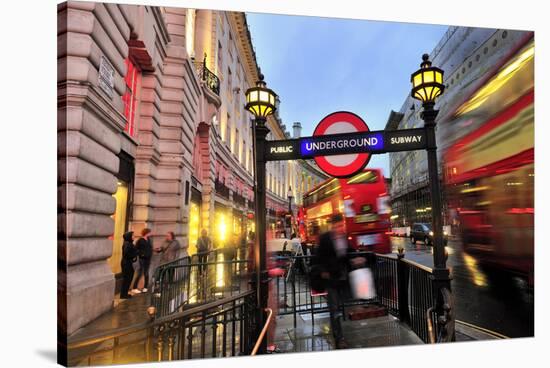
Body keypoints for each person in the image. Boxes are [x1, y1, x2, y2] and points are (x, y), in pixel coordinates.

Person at [315, 213, 364, 349]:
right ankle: (339, 338)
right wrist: (323, 271)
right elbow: (318, 257)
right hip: (331, 278)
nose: (339, 228)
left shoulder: (343, 237)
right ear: (332, 226)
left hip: (343, 277)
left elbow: (348, 253)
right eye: (337, 226)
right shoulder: (325, 238)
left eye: (341, 225)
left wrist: (357, 258)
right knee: (334, 309)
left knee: (343, 306)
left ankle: (341, 330)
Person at [131, 228, 153, 294]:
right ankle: (134, 287)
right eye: (150, 232)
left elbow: (149, 248)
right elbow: (135, 249)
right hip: (142, 259)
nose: (151, 233)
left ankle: (145, 287)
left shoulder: (149, 240)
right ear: (146, 232)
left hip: (148, 259)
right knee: (140, 273)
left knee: (146, 273)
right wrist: (141, 254)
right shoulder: (140, 240)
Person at [120, 231, 138, 299]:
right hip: (126, 263)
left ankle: (125, 293)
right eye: (132, 235)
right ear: (129, 236)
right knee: (127, 279)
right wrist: (134, 255)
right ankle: (123, 295)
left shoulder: (129, 243)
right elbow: (126, 254)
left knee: (128, 278)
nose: (134, 237)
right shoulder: (127, 244)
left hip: (128, 263)